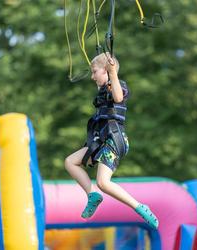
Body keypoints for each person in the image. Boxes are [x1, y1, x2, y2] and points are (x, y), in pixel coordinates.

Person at [64, 53, 159, 229]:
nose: (92, 76)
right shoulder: (103, 91)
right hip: (100, 142)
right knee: (70, 162)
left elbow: (118, 97)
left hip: (113, 140)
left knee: (103, 182)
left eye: (94, 72)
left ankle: (139, 207)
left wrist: (113, 73)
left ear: (107, 70)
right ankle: (92, 194)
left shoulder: (118, 86)